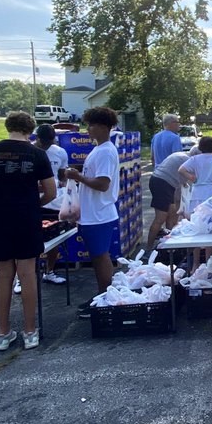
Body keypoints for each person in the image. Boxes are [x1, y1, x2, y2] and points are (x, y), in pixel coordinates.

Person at [0, 113, 57, 351]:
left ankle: (3, 332)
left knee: (3, 275)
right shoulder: (37, 154)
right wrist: (32, 201)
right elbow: (51, 192)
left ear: (8, 127)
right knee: (27, 274)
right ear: (31, 130)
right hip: (27, 217)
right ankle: (30, 332)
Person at [67, 107, 120, 314]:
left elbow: (102, 184)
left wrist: (78, 177)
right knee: (98, 256)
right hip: (93, 214)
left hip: (99, 214)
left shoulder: (105, 151)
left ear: (104, 127)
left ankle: (105, 298)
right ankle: (102, 296)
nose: (87, 129)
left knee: (100, 256)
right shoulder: (99, 150)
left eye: (92, 125)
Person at [178, 136, 212, 270]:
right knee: (210, 231)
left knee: (197, 230)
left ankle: (195, 264)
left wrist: (191, 177)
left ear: (200, 147)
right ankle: (208, 263)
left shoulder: (194, 159)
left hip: (197, 194)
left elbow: (181, 169)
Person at [35, 123, 69, 287]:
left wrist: (61, 183)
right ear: (37, 138)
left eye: (50, 141)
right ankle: (23, 278)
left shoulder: (60, 152)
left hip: (54, 202)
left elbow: (63, 176)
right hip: (33, 201)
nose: (47, 145)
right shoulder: (29, 152)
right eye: (44, 142)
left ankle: (50, 271)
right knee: (29, 239)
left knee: (54, 238)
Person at [146, 149, 189, 251]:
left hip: (161, 181)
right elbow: (180, 189)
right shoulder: (188, 162)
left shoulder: (182, 155)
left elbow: (179, 189)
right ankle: (148, 249)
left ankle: (170, 246)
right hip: (162, 183)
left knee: (173, 213)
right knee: (161, 218)